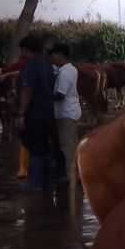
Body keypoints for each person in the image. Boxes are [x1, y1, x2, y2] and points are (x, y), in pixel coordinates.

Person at [15, 34, 57, 193]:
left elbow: (27, 90)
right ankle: (48, 180)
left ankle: (35, 182)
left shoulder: (31, 67)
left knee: (35, 147)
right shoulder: (47, 66)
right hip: (47, 111)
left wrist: (20, 114)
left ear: (26, 50)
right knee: (45, 146)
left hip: (34, 113)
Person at [48, 43, 81, 182]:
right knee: (71, 144)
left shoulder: (66, 72)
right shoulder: (68, 70)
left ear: (59, 55)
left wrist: (46, 95)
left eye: (53, 55)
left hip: (66, 112)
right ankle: (75, 174)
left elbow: (61, 95)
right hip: (70, 111)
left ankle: (72, 175)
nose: (52, 58)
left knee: (68, 146)